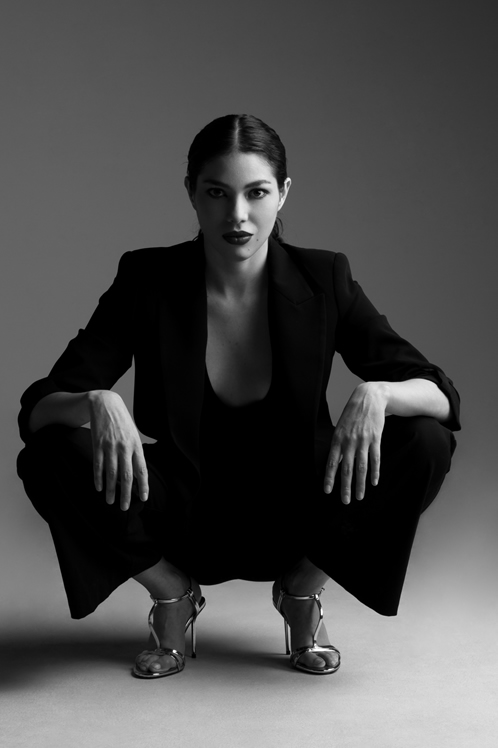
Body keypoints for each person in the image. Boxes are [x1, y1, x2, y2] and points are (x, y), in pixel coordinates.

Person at [17, 114, 460, 680]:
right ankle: (172, 595)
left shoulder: (324, 278)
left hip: (304, 511)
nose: (238, 215)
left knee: (426, 440)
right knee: (49, 456)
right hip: (181, 514)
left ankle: (301, 592)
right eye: (217, 193)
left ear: (284, 193)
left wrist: (380, 394)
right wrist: (94, 401)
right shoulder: (148, 279)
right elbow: (39, 408)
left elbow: (441, 395)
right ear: (191, 193)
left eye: (257, 193)